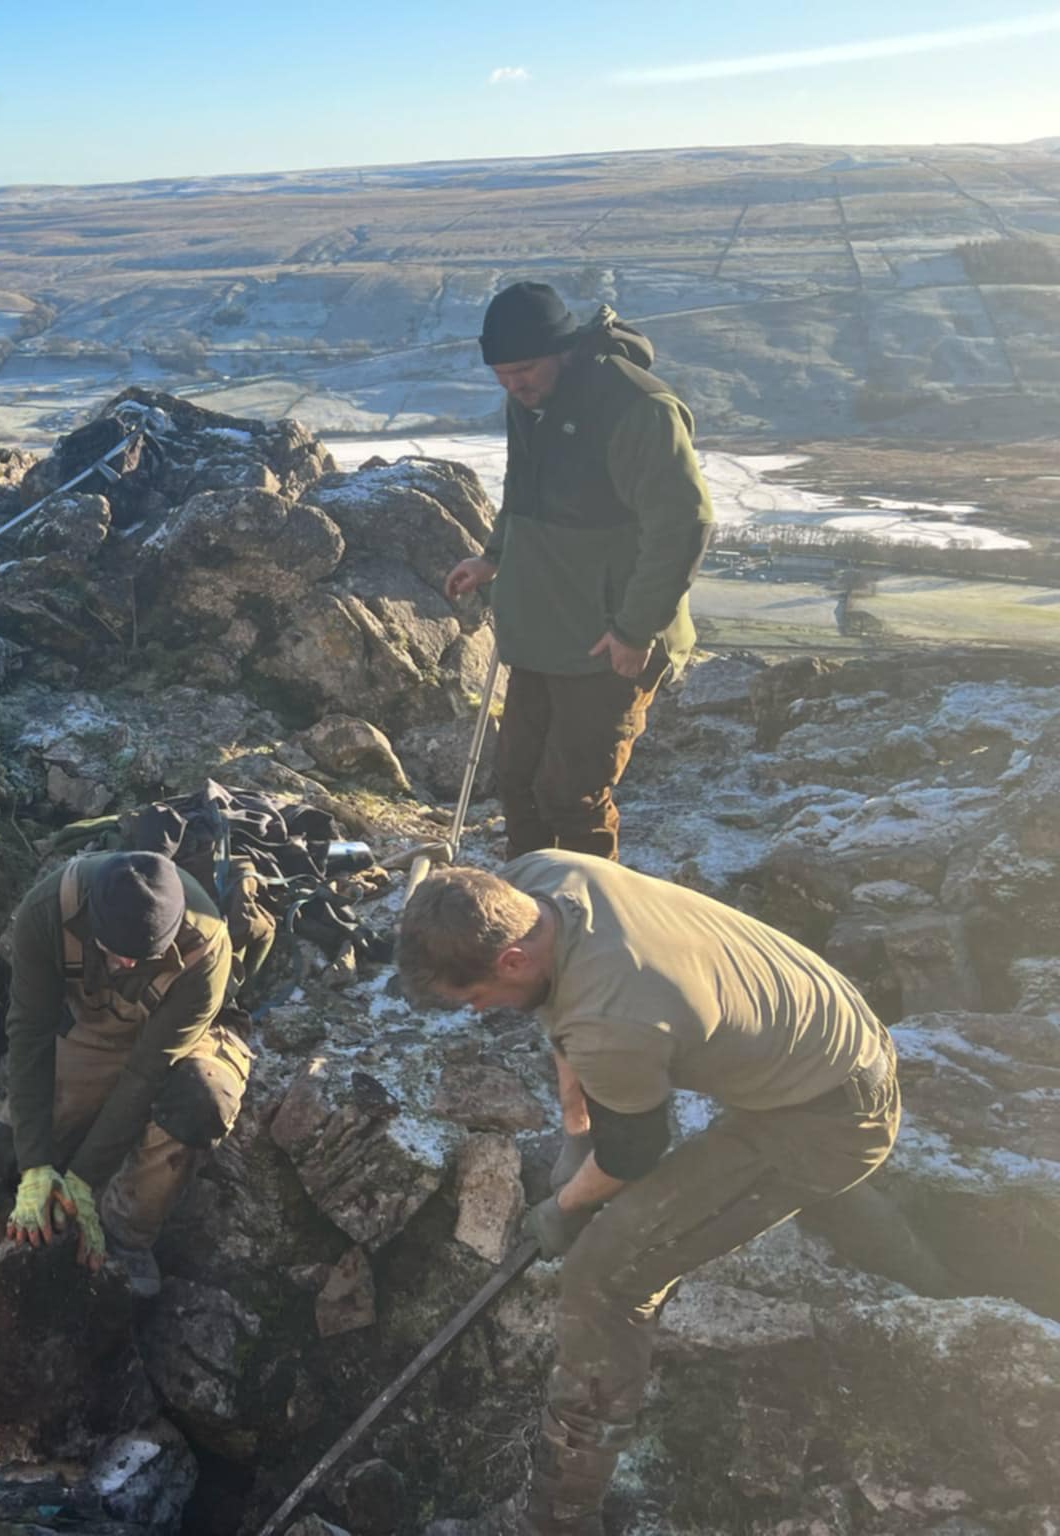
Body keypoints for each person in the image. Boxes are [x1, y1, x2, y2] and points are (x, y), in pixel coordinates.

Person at [396, 856, 899, 1536]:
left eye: (474, 996)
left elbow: (633, 1153)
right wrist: (577, 1129)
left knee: (605, 1273)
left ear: (511, 958)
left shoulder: (616, 1020)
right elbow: (562, 1008)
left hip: (828, 1121)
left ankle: (560, 1516)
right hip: (819, 1034)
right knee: (646, 1198)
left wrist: (563, 1209)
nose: (476, 1010)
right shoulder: (539, 880)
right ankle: (913, 1254)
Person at [0, 851, 251, 1362]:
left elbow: (147, 1073)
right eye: (116, 953)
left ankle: (126, 1236)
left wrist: (79, 1182)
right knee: (2, 1152)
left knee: (199, 1099)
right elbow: (29, 1036)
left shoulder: (206, 947)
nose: (125, 965)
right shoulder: (46, 912)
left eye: (140, 958)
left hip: (183, 1041)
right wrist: (37, 1166)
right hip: (96, 1030)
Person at [445, 281, 714, 861]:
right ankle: (527, 901)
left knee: (571, 796)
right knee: (518, 783)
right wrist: (493, 557)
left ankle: (589, 909)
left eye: (524, 370)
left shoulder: (638, 408)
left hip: (608, 639)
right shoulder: (529, 401)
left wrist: (635, 630)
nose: (514, 386)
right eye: (501, 375)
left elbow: (683, 525)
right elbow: (522, 491)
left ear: (563, 349)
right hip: (545, 628)